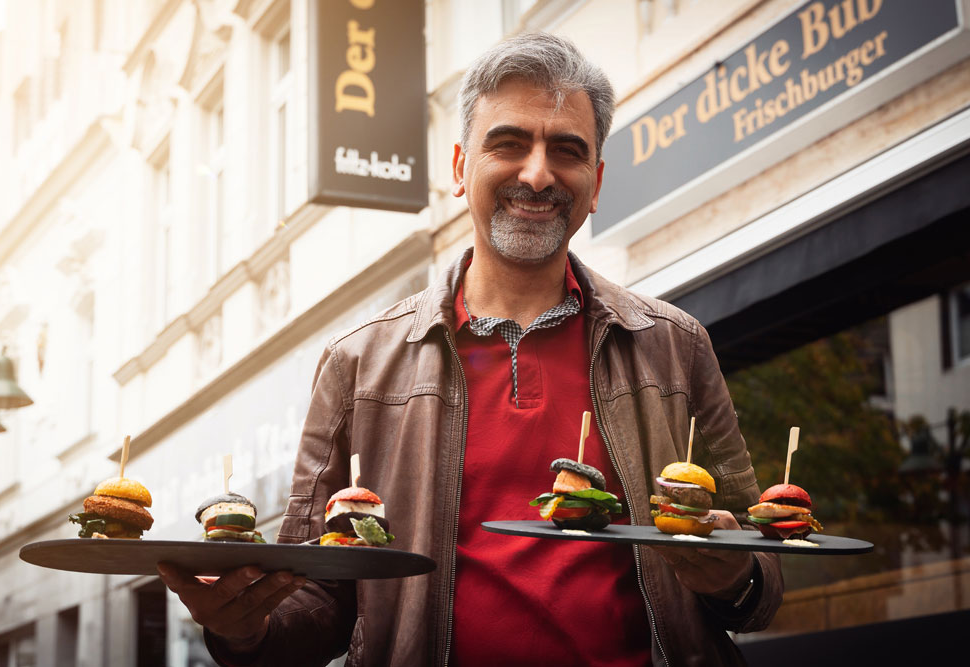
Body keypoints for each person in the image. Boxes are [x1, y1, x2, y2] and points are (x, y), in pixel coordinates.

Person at [158, 32, 783, 666]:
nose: (537, 173)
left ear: (595, 184)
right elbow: (315, 598)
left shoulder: (674, 346)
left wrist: (734, 577)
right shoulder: (358, 363)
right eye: (508, 144)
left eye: (565, 151)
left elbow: (762, 578)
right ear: (460, 168)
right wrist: (243, 629)